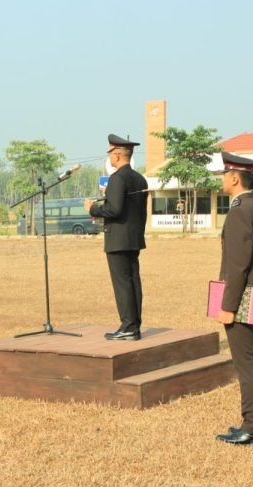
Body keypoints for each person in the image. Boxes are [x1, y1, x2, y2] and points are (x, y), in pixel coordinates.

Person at [213, 153, 253, 445]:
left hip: (244, 298)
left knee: (247, 363)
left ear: (235, 178)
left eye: (224, 175)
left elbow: (238, 265)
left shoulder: (239, 212)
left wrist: (227, 306)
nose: (222, 180)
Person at [84, 134, 148, 341]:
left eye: (111, 152)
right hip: (133, 238)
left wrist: (92, 208)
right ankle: (134, 324)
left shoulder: (118, 178)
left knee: (122, 283)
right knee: (133, 281)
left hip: (118, 239)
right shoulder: (139, 178)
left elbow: (114, 210)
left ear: (118, 154)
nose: (109, 156)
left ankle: (128, 326)